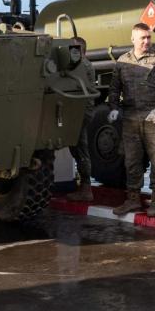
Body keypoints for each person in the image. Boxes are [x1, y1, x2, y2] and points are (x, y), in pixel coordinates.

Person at [107, 23, 155, 215]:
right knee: (132, 160)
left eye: (149, 37)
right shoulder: (122, 61)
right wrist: (113, 107)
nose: (146, 41)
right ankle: (133, 199)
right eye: (142, 38)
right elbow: (114, 88)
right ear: (133, 39)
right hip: (130, 117)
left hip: (154, 117)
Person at [66, 38, 97, 201]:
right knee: (79, 149)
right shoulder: (86, 64)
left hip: (80, 112)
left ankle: (85, 188)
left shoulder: (80, 65)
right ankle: (85, 187)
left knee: (80, 150)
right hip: (82, 111)